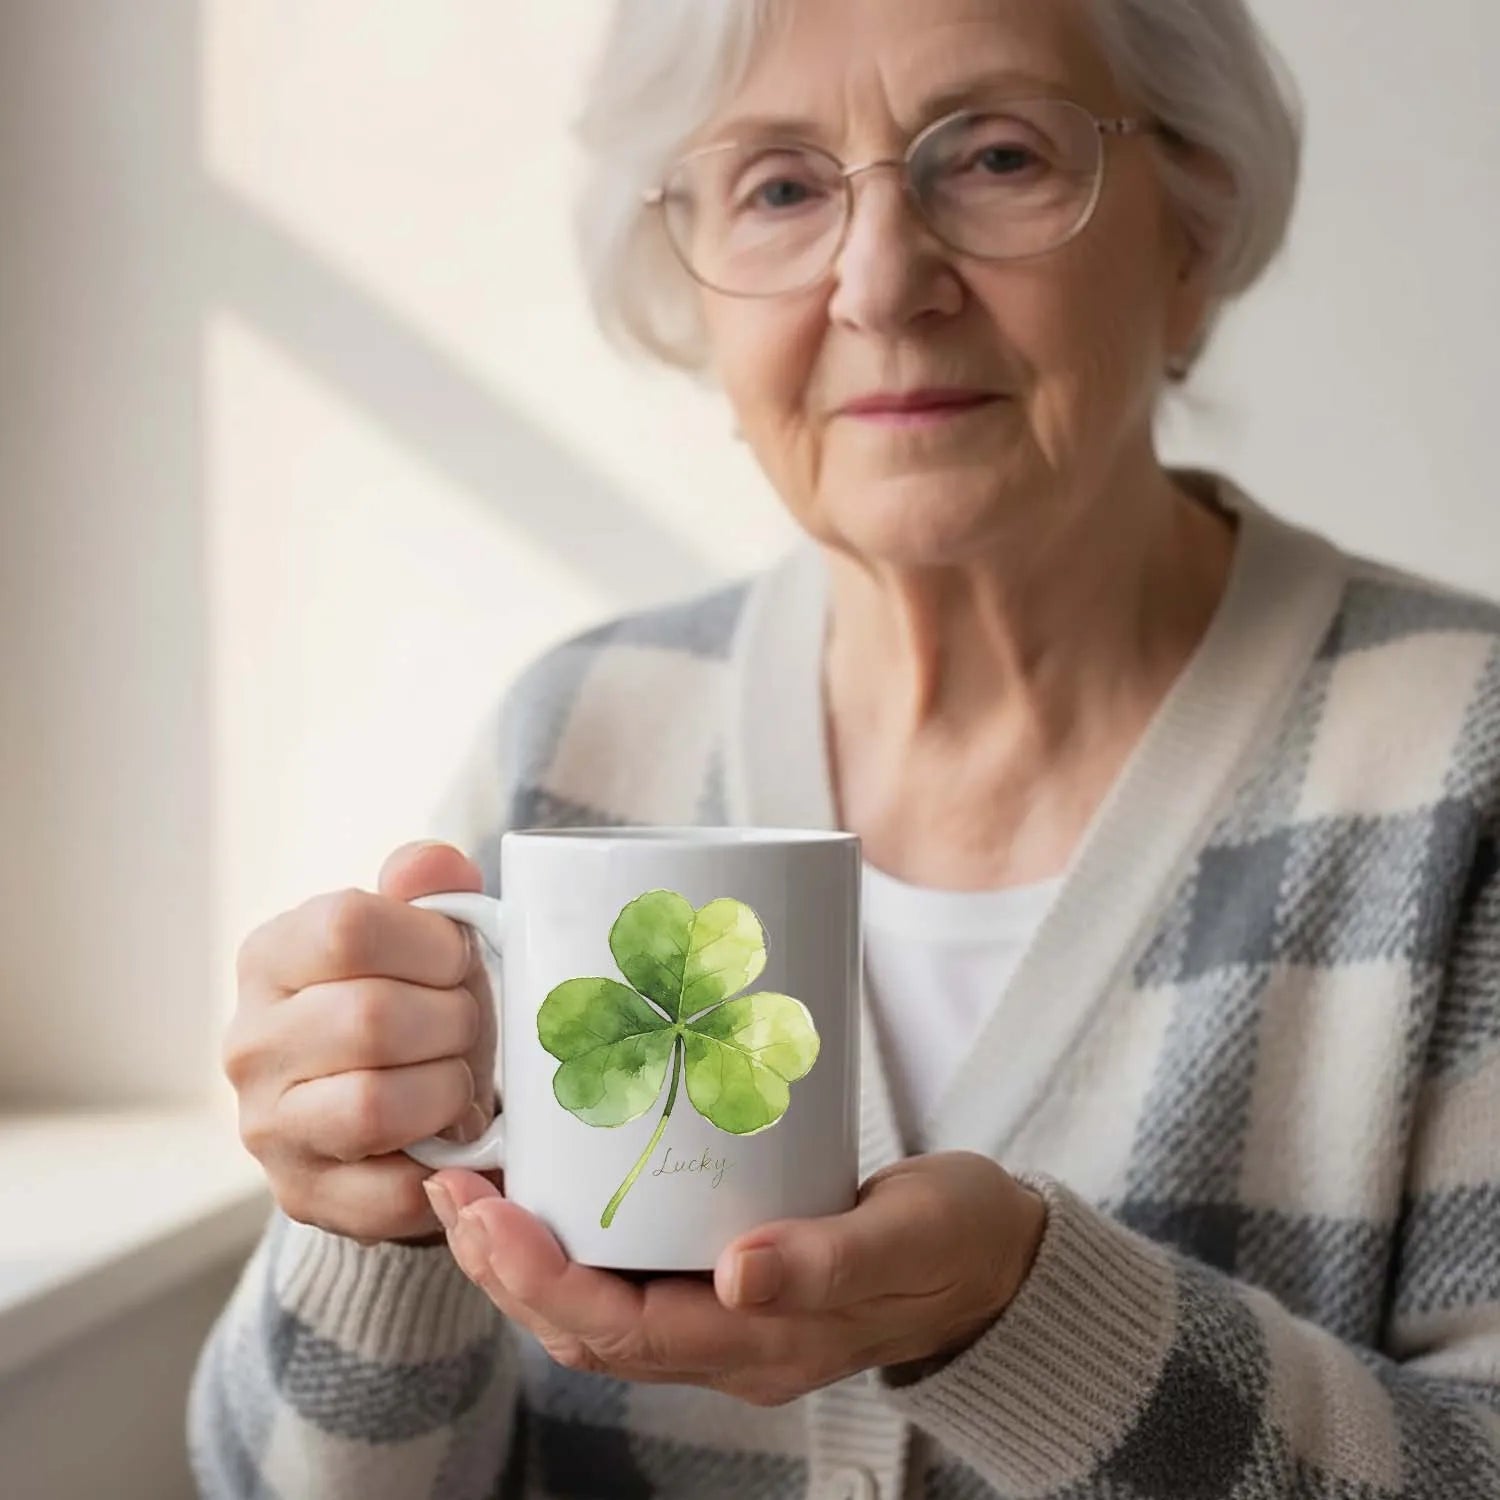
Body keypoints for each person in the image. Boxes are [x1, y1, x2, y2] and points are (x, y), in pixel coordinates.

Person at [188, 0, 1500, 1496]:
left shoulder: (1463, 754)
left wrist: (1022, 1319)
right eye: (780, 187)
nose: (880, 284)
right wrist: (374, 1218)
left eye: (997, 157)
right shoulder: (583, 734)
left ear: (1189, 238)